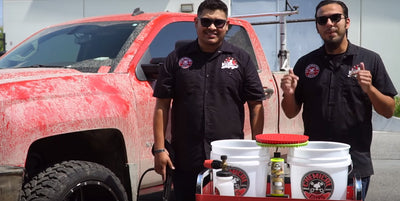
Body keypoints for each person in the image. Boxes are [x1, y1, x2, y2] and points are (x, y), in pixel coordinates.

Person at [281, 0, 397, 200]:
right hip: (312, 161)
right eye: (322, 19)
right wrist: (289, 94)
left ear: (347, 22)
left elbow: (388, 110)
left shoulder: (370, 60)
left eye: (335, 18)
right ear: (317, 26)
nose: (329, 23)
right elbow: (291, 111)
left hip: (354, 163)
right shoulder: (306, 63)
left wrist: (369, 89)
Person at [152, 0, 265, 200]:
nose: (212, 27)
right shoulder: (176, 58)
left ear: (227, 26)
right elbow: (162, 105)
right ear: (196, 22)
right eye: (206, 21)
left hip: (229, 156)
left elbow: (256, 105)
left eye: (218, 23)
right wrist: (160, 149)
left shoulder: (241, 59)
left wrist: (257, 149)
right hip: (185, 157)